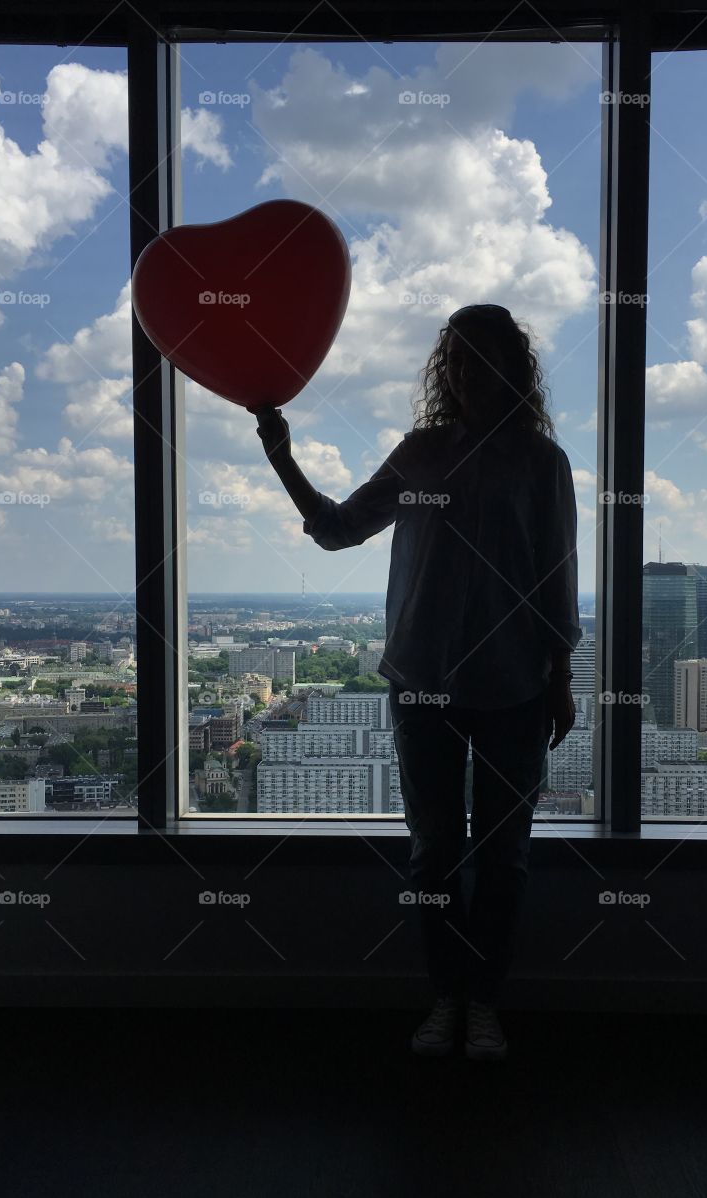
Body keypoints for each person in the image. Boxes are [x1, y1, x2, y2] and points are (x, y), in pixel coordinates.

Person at [253, 302, 580, 1062]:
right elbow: (337, 531)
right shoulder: (420, 453)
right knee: (435, 854)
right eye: (457, 359)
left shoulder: (541, 463)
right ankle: (449, 997)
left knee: (503, 855)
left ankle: (481, 1002)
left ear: (513, 368)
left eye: (482, 357)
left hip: (514, 686)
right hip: (426, 682)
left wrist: (560, 677)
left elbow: (555, 578)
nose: (467, 372)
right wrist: (282, 458)